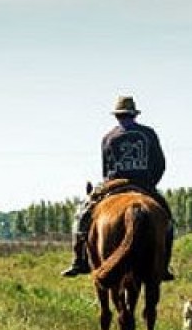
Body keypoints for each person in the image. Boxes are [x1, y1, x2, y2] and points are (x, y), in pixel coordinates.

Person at [61, 95, 175, 280]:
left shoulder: (108, 137)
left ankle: (79, 260)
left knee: (82, 216)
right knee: (168, 222)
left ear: (117, 116)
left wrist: (108, 185)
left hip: (115, 184)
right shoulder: (149, 134)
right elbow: (160, 164)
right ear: (134, 115)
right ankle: (163, 265)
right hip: (143, 184)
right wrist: (150, 183)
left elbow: (106, 169)